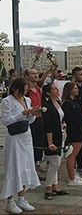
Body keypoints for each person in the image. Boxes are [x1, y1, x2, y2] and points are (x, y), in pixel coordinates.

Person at [1, 77, 40, 214]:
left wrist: (32, 113)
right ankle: (10, 201)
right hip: (14, 138)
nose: (24, 94)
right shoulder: (7, 101)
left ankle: (22, 198)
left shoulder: (27, 100)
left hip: (26, 136)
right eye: (22, 91)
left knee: (26, 165)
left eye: (25, 91)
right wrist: (22, 113)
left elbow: (29, 121)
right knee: (13, 166)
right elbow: (6, 121)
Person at [41, 83, 69, 200]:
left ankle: (55, 186)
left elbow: (60, 118)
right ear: (48, 92)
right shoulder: (47, 107)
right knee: (54, 163)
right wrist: (50, 143)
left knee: (57, 161)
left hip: (60, 134)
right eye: (55, 89)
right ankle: (48, 188)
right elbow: (48, 127)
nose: (58, 91)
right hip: (53, 137)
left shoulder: (57, 102)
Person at [62, 82, 82, 186]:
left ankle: (73, 174)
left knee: (75, 154)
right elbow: (69, 119)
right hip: (74, 131)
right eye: (75, 88)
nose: (77, 90)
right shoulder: (67, 103)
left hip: (79, 130)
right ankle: (72, 177)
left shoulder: (76, 101)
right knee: (72, 155)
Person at [24, 68, 46, 176]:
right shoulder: (26, 91)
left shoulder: (38, 89)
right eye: (33, 74)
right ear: (27, 76)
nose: (36, 75)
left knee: (39, 141)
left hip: (39, 118)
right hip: (30, 119)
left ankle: (36, 164)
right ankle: (31, 167)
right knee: (31, 143)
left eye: (37, 73)